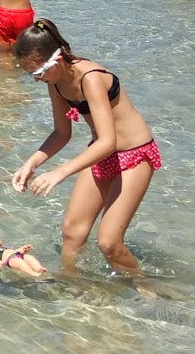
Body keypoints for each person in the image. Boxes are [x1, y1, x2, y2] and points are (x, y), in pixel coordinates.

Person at [10, 19, 160, 277]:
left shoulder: (91, 78)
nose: (36, 80)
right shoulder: (55, 82)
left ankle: (145, 287)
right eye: (30, 75)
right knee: (72, 231)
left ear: (55, 60)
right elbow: (61, 133)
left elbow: (108, 140)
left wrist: (60, 172)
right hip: (102, 153)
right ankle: (72, 286)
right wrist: (31, 163)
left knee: (109, 242)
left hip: (135, 155)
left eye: (37, 73)